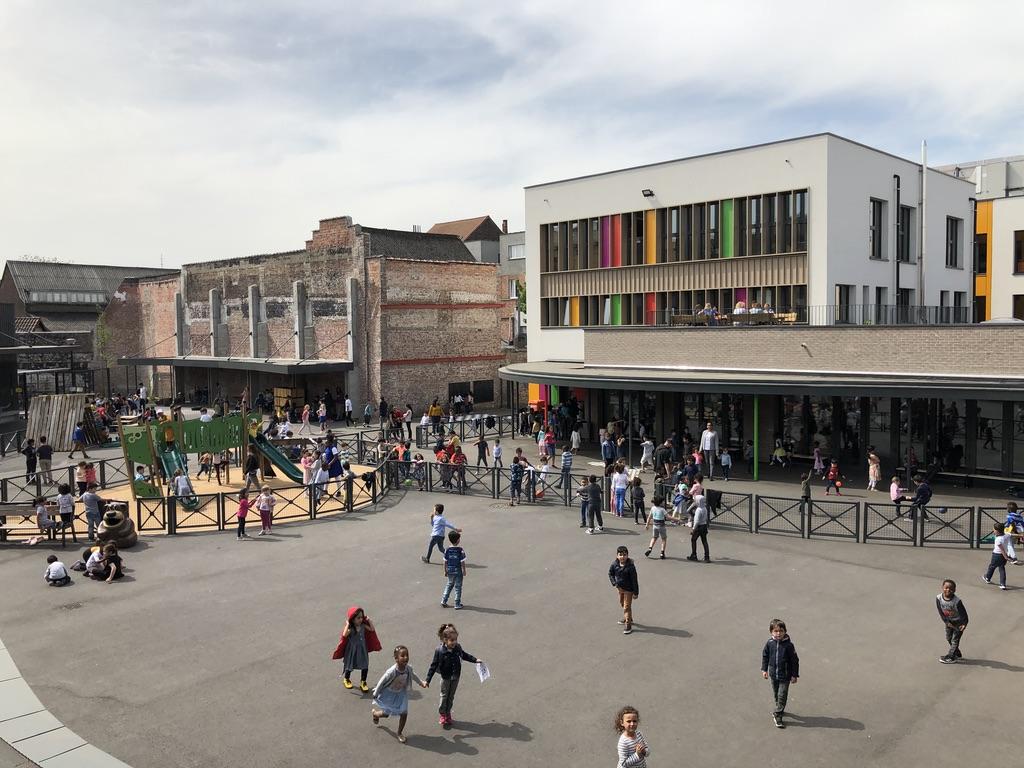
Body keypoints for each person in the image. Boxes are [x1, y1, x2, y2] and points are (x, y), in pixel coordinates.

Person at [424, 623, 482, 729]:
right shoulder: (440, 651)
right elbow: (433, 666)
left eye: (455, 639)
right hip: (445, 678)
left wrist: (475, 660)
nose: (454, 642)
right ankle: (442, 714)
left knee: (451, 696)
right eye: (452, 640)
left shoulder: (457, 648)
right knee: (444, 696)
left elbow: (464, 655)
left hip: (455, 677)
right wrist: (428, 680)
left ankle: (448, 713)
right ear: (445, 640)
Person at [371, 645, 427, 744]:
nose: (406, 657)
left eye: (407, 655)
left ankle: (399, 733)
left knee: (404, 713)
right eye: (403, 656)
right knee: (387, 713)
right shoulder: (391, 671)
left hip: (401, 694)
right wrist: (376, 693)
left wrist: (421, 683)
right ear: (396, 659)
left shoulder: (408, 669)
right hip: (390, 694)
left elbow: (413, 675)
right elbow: (381, 681)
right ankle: (375, 714)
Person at [332, 606, 382, 692]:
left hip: (362, 649)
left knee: (365, 665)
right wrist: (347, 624)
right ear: (352, 619)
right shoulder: (351, 629)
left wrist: (369, 621)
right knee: (349, 665)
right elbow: (344, 634)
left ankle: (363, 682)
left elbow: (372, 629)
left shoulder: (363, 626)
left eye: (361, 617)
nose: (360, 619)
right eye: (358, 618)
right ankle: (346, 679)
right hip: (352, 650)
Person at [761, 618, 800, 728]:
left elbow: (795, 661)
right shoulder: (769, 643)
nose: (778, 633)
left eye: (781, 631)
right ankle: (780, 707)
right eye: (776, 631)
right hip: (773, 675)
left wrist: (794, 675)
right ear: (771, 632)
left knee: (782, 695)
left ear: (785, 631)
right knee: (776, 694)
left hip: (785, 676)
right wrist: (764, 670)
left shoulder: (789, 646)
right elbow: (765, 656)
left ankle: (777, 714)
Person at [608, 545, 639, 634]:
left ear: (627, 555)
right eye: (620, 555)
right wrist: (614, 583)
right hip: (620, 588)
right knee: (622, 603)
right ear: (617, 556)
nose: (622, 557)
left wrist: (636, 593)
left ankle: (628, 624)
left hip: (629, 590)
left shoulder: (631, 567)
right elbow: (610, 573)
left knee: (626, 607)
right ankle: (628, 617)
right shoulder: (614, 564)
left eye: (624, 555)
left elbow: (634, 580)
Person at [936, 579, 968, 663]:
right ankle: (956, 653)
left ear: (954, 590)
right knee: (948, 638)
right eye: (946, 588)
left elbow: (964, 614)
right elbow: (940, 611)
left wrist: (964, 624)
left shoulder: (957, 602)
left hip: (958, 623)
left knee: (955, 640)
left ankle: (951, 657)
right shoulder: (939, 598)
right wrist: (946, 622)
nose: (948, 590)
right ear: (942, 587)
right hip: (949, 622)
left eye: (951, 589)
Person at [441, 531, 467, 609]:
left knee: (449, 584)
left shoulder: (447, 550)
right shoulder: (460, 550)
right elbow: (462, 561)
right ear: (458, 540)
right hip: (458, 570)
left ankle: (444, 600)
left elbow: (445, 561)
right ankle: (457, 603)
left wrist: (445, 570)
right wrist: (464, 570)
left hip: (450, 569)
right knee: (458, 587)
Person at [982, 523, 1011, 590]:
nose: (993, 531)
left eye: (994, 530)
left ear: (997, 531)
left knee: (992, 566)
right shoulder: (1006, 535)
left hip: (997, 555)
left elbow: (1002, 549)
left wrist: (1006, 557)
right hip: (1003, 556)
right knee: (1002, 568)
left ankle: (987, 578)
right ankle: (1002, 584)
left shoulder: (998, 539)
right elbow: (1011, 534)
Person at [686, 493, 710, 562]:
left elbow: (696, 521)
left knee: (693, 540)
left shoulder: (698, 510)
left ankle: (694, 555)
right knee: (704, 541)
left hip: (699, 527)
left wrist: (693, 529)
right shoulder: (704, 508)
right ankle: (707, 557)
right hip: (704, 526)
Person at [644, 494, 668, 560]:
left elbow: (649, 517)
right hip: (662, 526)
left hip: (655, 526)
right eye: (663, 501)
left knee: (654, 538)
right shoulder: (662, 509)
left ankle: (650, 548)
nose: (664, 502)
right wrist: (677, 519)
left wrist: (647, 525)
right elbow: (668, 517)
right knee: (664, 539)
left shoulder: (653, 508)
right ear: (660, 503)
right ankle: (662, 553)